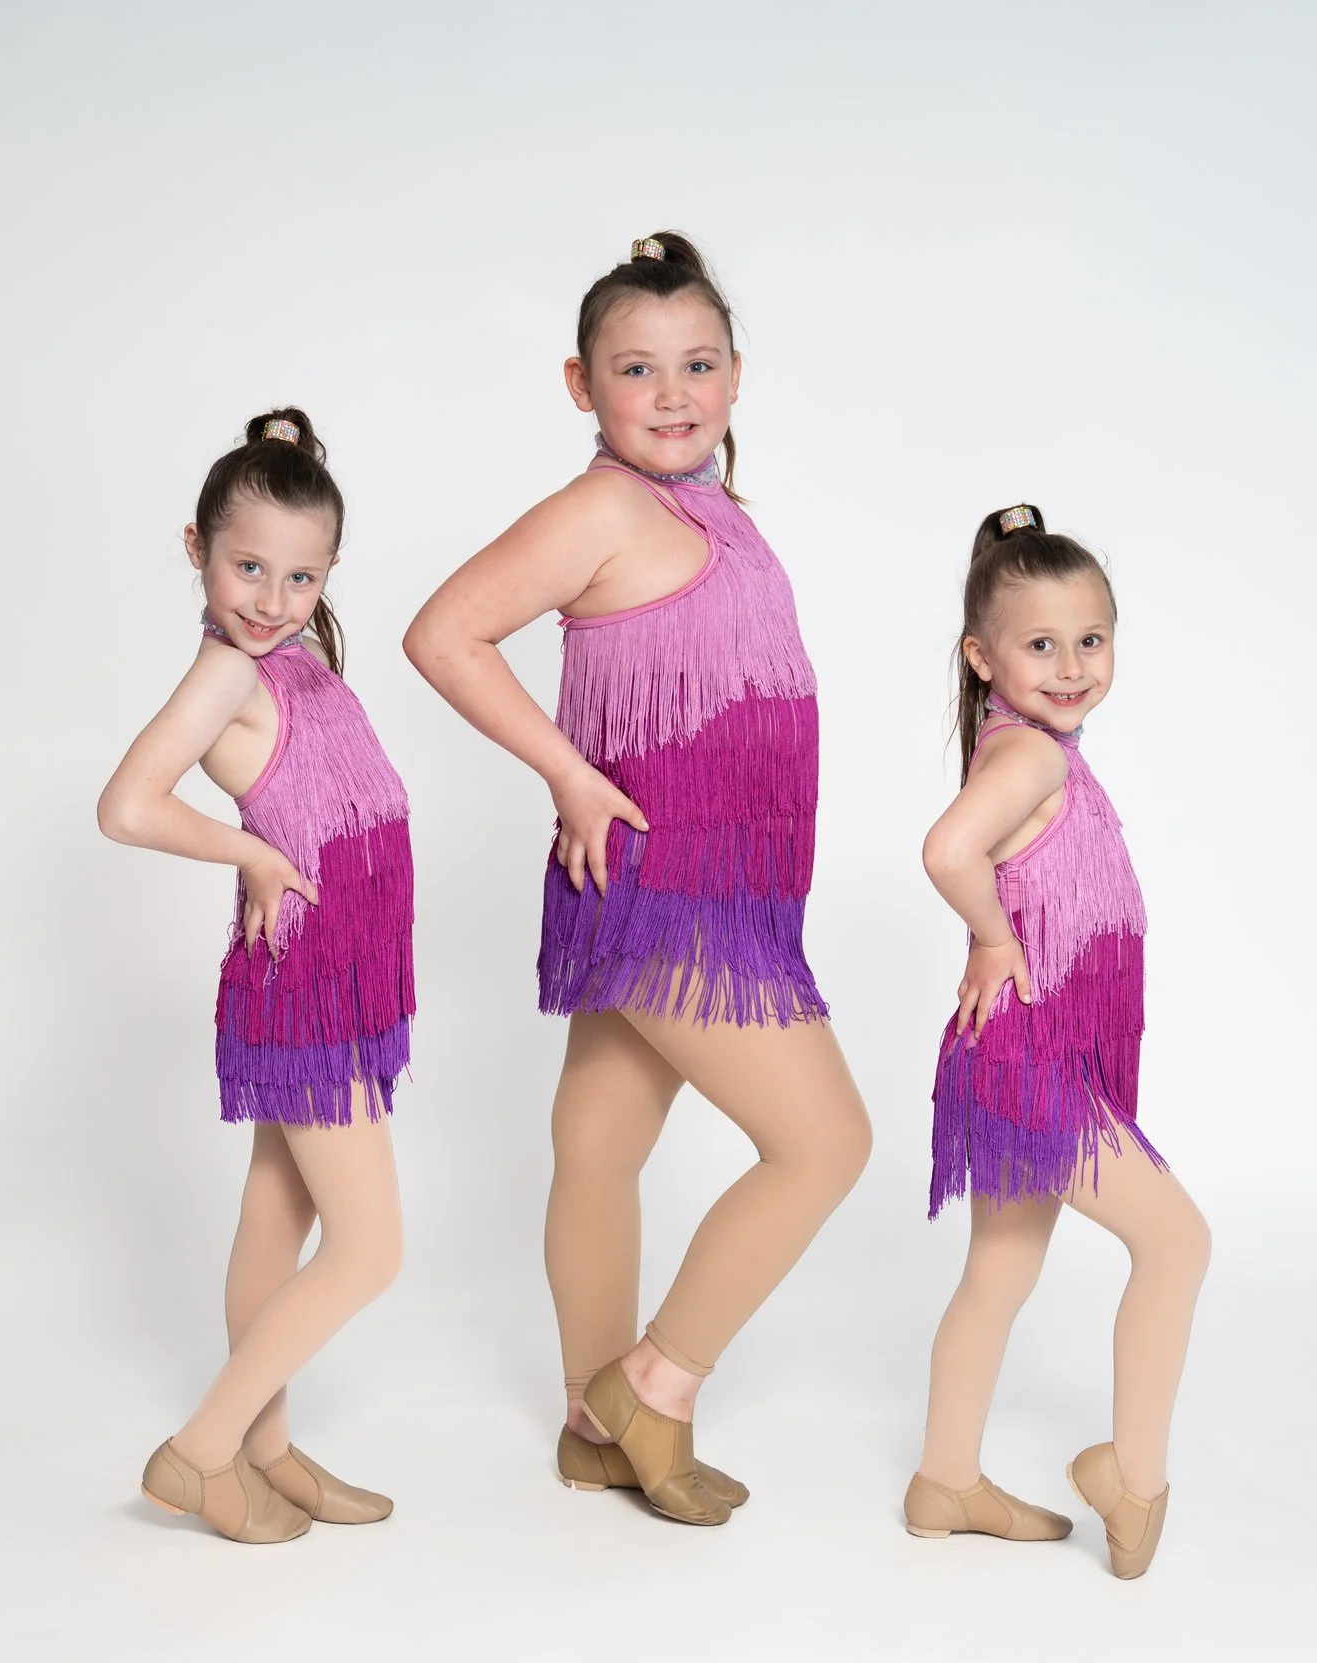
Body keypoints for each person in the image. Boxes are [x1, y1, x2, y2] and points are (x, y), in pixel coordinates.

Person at [403, 234, 871, 1526]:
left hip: (723, 879)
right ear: (580, 384)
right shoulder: (600, 507)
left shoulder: (708, 508)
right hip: (668, 883)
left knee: (598, 1143)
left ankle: (583, 1423)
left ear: (736, 375)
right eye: (636, 368)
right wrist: (566, 770)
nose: (672, 392)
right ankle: (651, 1388)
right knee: (826, 1140)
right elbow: (443, 631)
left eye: (698, 364)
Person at [97, 409, 410, 1544]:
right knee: (370, 1247)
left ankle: (269, 1453)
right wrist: (252, 852)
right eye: (247, 566)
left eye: (299, 574)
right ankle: (199, 1452)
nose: (272, 597)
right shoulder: (225, 674)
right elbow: (127, 805)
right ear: (196, 548)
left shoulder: (297, 656)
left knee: (275, 1212)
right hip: (304, 983)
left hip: (345, 977)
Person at [905, 504, 1210, 1577]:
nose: (1072, 664)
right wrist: (989, 935)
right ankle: (1133, 1478)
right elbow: (948, 849)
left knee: (998, 1267)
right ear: (983, 657)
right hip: (1027, 1063)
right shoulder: (1028, 758)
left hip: (1026, 1058)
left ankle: (945, 1478)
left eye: (1092, 639)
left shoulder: (1037, 749)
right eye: (1040, 644)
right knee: (1177, 1242)